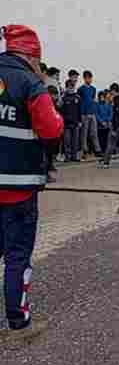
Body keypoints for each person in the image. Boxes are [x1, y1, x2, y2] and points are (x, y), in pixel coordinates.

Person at [0, 25, 64, 340]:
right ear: (29, 55)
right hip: (17, 188)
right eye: (38, 59)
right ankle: (19, 322)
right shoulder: (29, 83)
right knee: (17, 254)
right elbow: (51, 130)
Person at [77, 70, 100, 158]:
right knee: (84, 133)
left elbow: (93, 99)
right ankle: (84, 150)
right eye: (87, 78)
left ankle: (97, 150)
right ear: (84, 78)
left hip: (92, 113)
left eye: (90, 78)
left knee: (94, 132)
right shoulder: (80, 89)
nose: (89, 79)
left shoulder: (93, 89)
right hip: (84, 113)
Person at [60, 79, 82, 162]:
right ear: (66, 87)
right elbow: (60, 111)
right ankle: (67, 156)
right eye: (69, 86)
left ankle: (74, 156)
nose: (71, 88)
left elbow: (79, 110)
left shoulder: (78, 98)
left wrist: (80, 121)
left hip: (76, 122)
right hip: (66, 123)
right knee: (67, 141)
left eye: (72, 86)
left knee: (75, 141)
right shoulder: (63, 98)